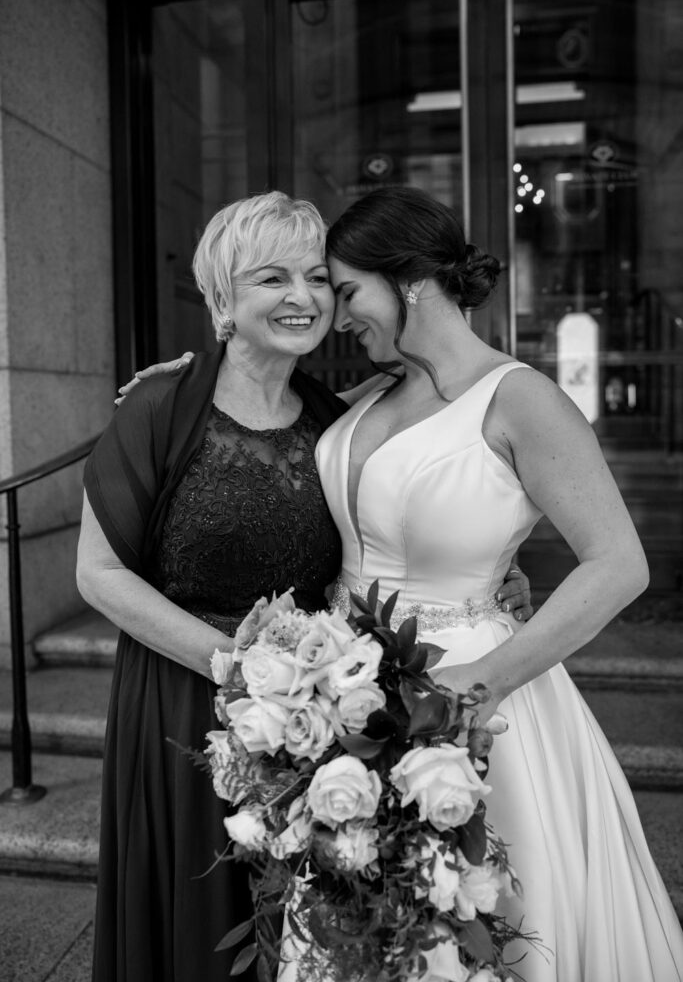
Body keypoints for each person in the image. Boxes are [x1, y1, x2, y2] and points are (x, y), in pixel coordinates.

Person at [138, 184, 683, 981]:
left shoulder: (519, 397)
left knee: (468, 915)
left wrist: (479, 680)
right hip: (343, 689)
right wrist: (180, 386)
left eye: (346, 289)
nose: (336, 313)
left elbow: (618, 564)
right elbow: (257, 402)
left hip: (466, 692)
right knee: (357, 917)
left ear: (410, 281)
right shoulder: (371, 393)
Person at [78, 190, 531, 982]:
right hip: (184, 698)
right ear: (222, 299)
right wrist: (238, 668)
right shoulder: (159, 406)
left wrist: (501, 568)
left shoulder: (337, 418)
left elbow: (409, 513)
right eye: (270, 278)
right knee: (196, 918)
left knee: (303, 925)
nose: (301, 297)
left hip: (312, 718)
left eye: (317, 277)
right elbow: (100, 573)